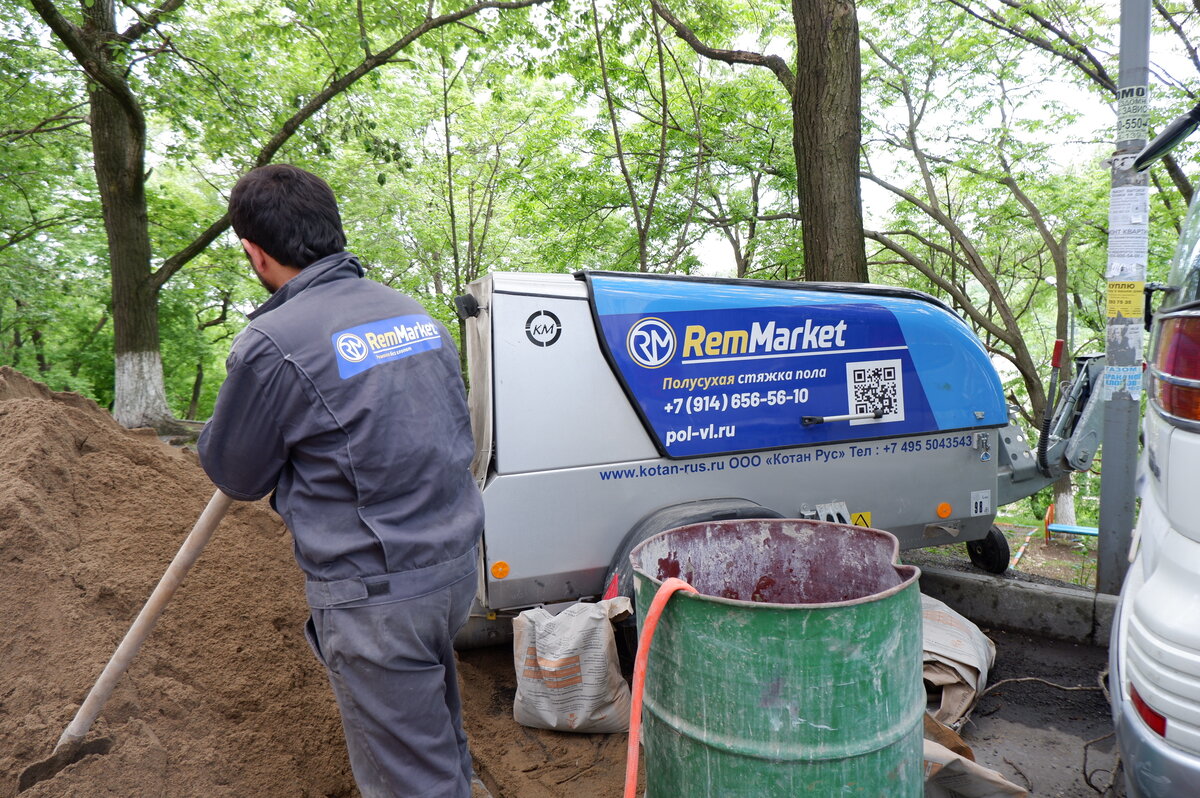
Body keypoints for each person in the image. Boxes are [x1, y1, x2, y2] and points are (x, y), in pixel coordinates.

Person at [198, 163, 484, 798]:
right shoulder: (412, 316)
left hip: (378, 599)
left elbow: (236, 473)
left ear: (253, 250)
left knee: (410, 780)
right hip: (454, 568)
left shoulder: (273, 343)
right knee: (435, 732)